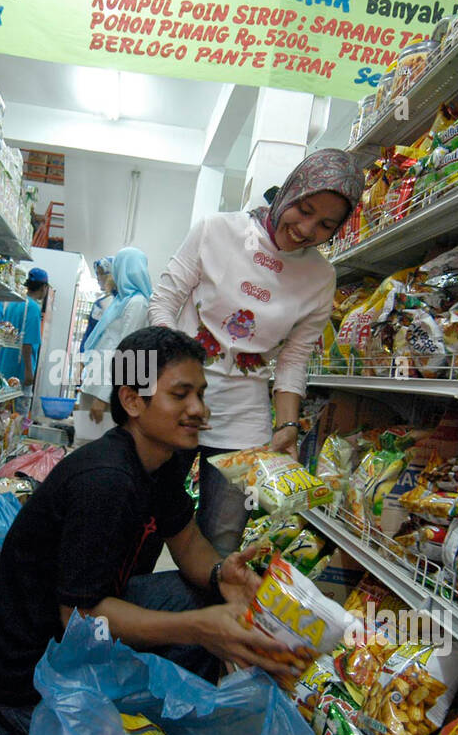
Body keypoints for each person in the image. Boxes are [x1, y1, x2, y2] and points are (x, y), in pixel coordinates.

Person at [0, 326, 299, 735]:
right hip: (38, 678)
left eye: (200, 394)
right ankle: (5, 728)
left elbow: (188, 544)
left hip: (82, 638)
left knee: (200, 596)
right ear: (132, 400)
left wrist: (224, 574)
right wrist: (198, 629)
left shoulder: (159, 460)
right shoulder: (105, 481)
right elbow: (79, 617)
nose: (198, 410)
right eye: (180, 395)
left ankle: (166, 726)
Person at [149, 148, 363, 555]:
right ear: (289, 192)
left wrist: (286, 427)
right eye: (303, 209)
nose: (305, 228)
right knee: (143, 514)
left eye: (325, 224)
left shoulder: (320, 277)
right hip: (178, 398)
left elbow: (294, 358)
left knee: (224, 536)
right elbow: (164, 301)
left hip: (245, 418)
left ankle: (208, 616)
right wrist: (171, 367)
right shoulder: (216, 230)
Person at [78, 247, 152, 426]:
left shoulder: (137, 304)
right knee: (83, 441)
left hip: (107, 390)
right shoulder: (121, 301)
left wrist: (104, 396)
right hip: (96, 381)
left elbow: (125, 354)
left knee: (96, 445)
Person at [0, 267, 49, 414]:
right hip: (19, 371)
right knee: (17, 418)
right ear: (44, 287)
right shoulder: (33, 308)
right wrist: (29, 372)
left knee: (0, 414)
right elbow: (27, 343)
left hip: (3, 367)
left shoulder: (14, 302)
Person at [77, 256, 115, 352]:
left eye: (101, 274)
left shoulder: (119, 303)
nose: (98, 278)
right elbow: (90, 333)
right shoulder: (100, 303)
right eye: (97, 274)